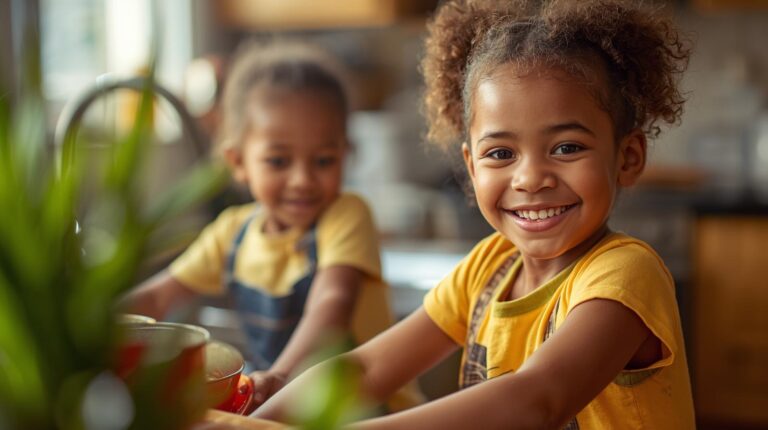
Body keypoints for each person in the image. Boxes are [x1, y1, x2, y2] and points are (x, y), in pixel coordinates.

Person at [251, 0, 696, 428]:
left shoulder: (625, 273)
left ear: (628, 157)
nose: (530, 178)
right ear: (470, 166)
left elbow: (538, 399)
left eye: (566, 148)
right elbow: (366, 370)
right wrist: (256, 422)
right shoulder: (488, 268)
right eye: (501, 153)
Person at [121, 40, 423, 413]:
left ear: (346, 154)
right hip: (293, 409)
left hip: (375, 413)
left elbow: (331, 305)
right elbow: (157, 297)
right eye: (279, 161)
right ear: (238, 161)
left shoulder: (346, 215)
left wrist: (280, 375)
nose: (302, 180)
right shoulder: (231, 233)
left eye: (324, 160)